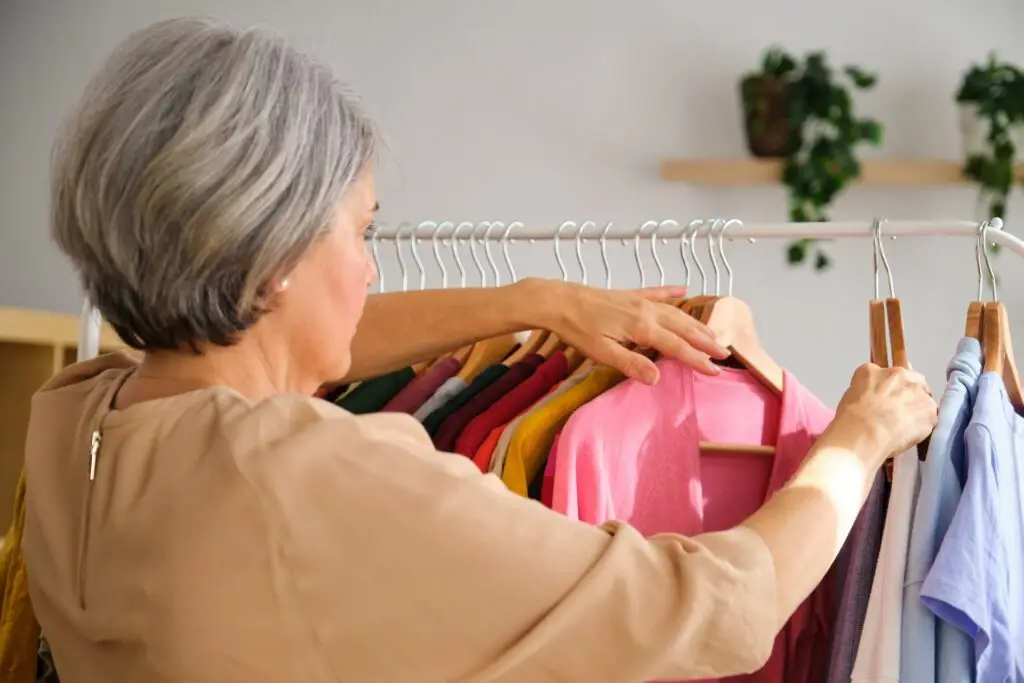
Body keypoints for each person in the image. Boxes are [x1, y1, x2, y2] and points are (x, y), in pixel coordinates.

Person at [20, 17, 938, 683]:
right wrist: (853, 444)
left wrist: (531, 302)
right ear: (273, 266)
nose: (376, 271)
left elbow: (274, 354)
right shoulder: (314, 479)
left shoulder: (80, 417)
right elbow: (711, 608)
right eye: (364, 231)